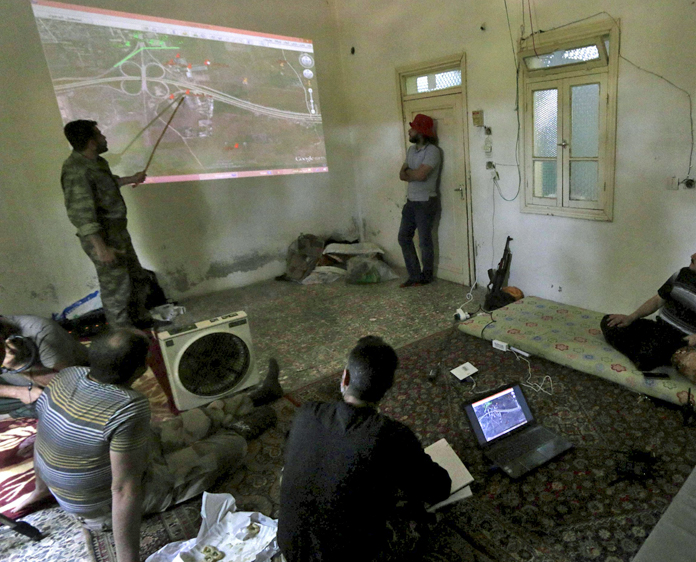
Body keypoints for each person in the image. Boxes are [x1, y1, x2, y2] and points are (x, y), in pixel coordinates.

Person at [14, 329, 264, 562]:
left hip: (91, 479)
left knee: (181, 426)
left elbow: (42, 439)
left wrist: (40, 490)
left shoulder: (68, 375)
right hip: (100, 510)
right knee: (226, 449)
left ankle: (253, 399)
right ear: (141, 368)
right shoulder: (128, 406)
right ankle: (242, 429)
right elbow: (124, 489)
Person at [278, 336, 452, 562]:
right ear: (388, 388)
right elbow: (439, 489)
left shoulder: (307, 413)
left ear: (345, 377)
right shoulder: (393, 437)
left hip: (289, 547)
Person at [600, 237, 696, 370]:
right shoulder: (683, 274)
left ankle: (646, 356)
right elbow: (658, 300)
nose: (693, 256)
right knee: (608, 321)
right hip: (658, 329)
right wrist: (631, 317)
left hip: (682, 341)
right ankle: (642, 356)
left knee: (651, 352)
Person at [61, 119, 154, 329]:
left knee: (137, 278)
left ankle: (140, 321)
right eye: (100, 134)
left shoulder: (97, 162)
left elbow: (108, 183)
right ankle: (122, 335)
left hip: (117, 232)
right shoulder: (76, 171)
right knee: (116, 289)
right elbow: (81, 216)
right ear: (92, 142)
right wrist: (101, 248)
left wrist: (132, 178)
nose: (104, 138)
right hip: (102, 238)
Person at [0, 314, 89, 417]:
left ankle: (36, 407)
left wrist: (18, 365)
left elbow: (70, 385)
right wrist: (16, 392)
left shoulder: (39, 330)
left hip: (60, 383)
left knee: (77, 400)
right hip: (21, 387)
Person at [397, 114, 442, 288]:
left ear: (421, 132)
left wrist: (411, 173)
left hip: (425, 202)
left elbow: (422, 175)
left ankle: (427, 276)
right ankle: (414, 275)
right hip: (411, 201)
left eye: (413, 128)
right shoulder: (411, 151)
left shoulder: (432, 151)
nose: (409, 131)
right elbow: (402, 174)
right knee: (403, 237)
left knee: (424, 241)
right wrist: (412, 174)